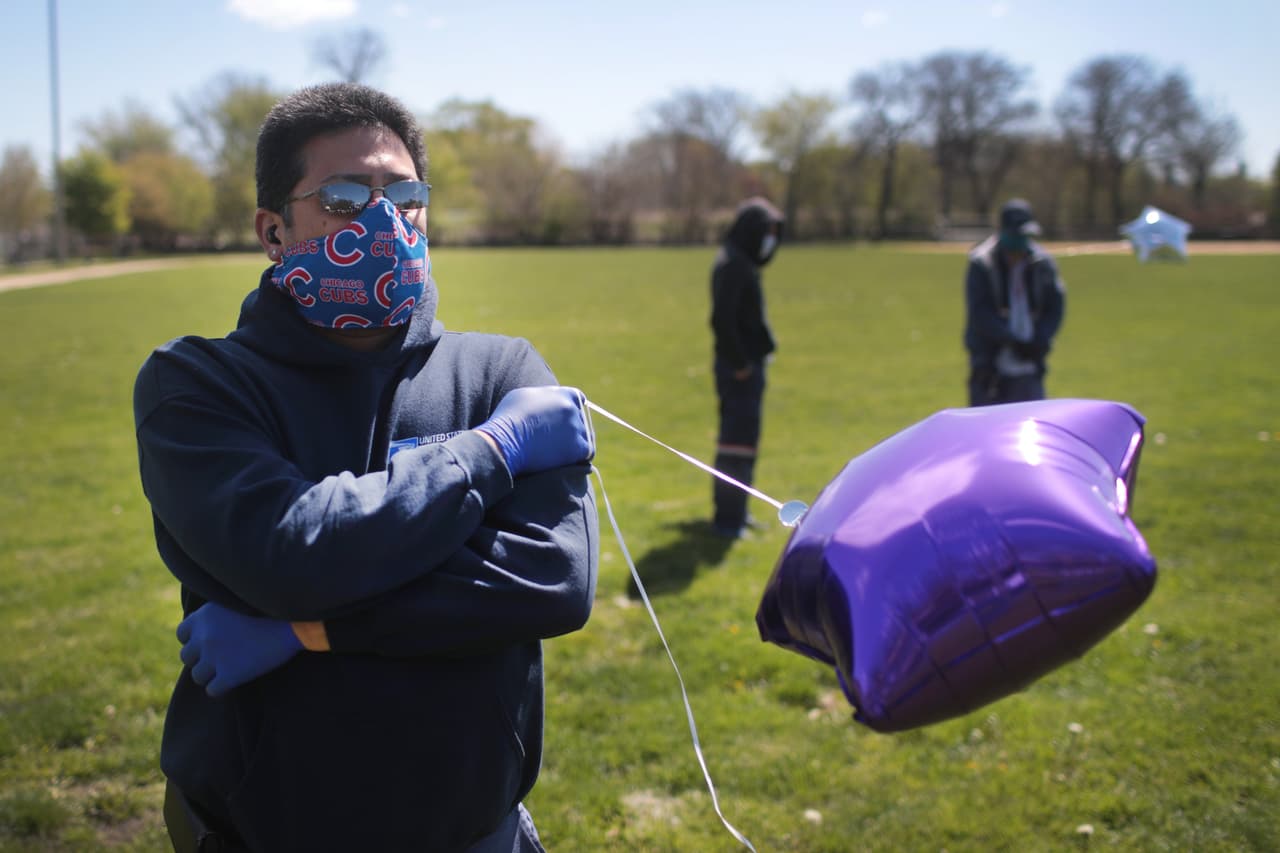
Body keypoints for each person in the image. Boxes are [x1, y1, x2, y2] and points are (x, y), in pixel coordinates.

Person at [133, 82, 598, 852]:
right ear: (274, 229)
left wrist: (306, 628)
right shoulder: (196, 383)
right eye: (346, 197)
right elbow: (288, 550)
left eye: (405, 193)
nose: (385, 217)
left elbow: (550, 578)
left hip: (474, 832)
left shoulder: (499, 372)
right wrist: (490, 452)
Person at [709, 197, 784, 538]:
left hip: (748, 367)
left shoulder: (741, 262)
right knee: (735, 444)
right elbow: (721, 320)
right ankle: (728, 519)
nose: (770, 240)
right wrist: (740, 363)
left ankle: (739, 512)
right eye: (766, 232)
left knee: (746, 443)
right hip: (739, 370)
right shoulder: (734, 265)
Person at [963, 198, 1066, 406]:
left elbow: (1055, 305)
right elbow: (980, 312)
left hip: (1029, 368)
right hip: (990, 368)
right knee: (987, 434)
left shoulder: (1042, 263)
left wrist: (1039, 338)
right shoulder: (983, 263)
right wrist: (1011, 339)